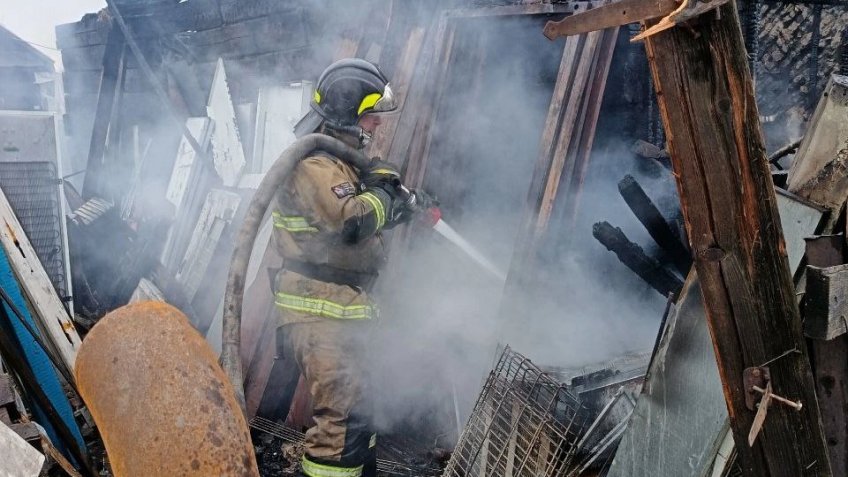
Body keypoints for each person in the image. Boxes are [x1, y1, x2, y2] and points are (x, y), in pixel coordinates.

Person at [272, 58, 432, 477]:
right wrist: (382, 189)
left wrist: (400, 205)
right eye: (369, 114)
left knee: (360, 418)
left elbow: (365, 219)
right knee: (339, 430)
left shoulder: (337, 162)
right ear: (347, 110)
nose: (377, 124)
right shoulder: (313, 165)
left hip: (341, 308)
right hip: (319, 309)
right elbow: (353, 221)